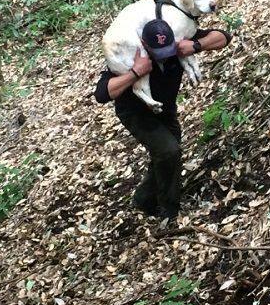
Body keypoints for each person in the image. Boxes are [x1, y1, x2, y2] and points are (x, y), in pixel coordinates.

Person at [94, 21, 232, 219]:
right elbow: (102, 94)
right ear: (144, 44)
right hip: (136, 113)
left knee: (167, 154)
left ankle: (144, 199)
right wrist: (135, 72)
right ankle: (169, 211)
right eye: (159, 51)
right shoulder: (130, 54)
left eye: (168, 49)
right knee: (169, 151)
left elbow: (223, 37)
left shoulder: (175, 42)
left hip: (165, 110)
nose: (165, 55)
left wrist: (195, 45)